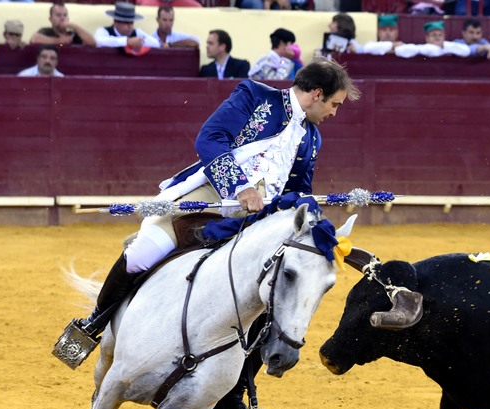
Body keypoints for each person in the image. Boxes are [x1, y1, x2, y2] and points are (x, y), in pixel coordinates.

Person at [56, 57, 361, 382]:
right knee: (144, 251)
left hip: (255, 220)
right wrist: (240, 186)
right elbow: (211, 138)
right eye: (335, 104)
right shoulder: (256, 96)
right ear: (316, 93)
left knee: (267, 291)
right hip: (208, 197)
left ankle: (239, 392)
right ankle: (93, 323)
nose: (334, 113)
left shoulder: (312, 138)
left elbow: (298, 189)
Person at [94, 1, 160, 50]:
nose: (130, 26)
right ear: (116, 22)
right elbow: (98, 41)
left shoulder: (137, 32)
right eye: (126, 23)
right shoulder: (103, 31)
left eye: (131, 23)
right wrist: (126, 41)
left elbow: (156, 43)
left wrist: (141, 42)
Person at [392, 21, 472, 58]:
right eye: (433, 35)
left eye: (440, 35)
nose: (437, 38)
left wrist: (444, 45)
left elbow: (466, 51)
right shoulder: (423, 48)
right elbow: (400, 51)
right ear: (427, 38)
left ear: (444, 36)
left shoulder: (449, 46)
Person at [30, 4, 96, 47]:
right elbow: (34, 39)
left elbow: (92, 43)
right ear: (51, 19)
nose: (62, 18)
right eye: (58, 15)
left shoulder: (73, 34)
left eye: (65, 15)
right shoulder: (47, 31)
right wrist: (60, 41)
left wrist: (74, 26)